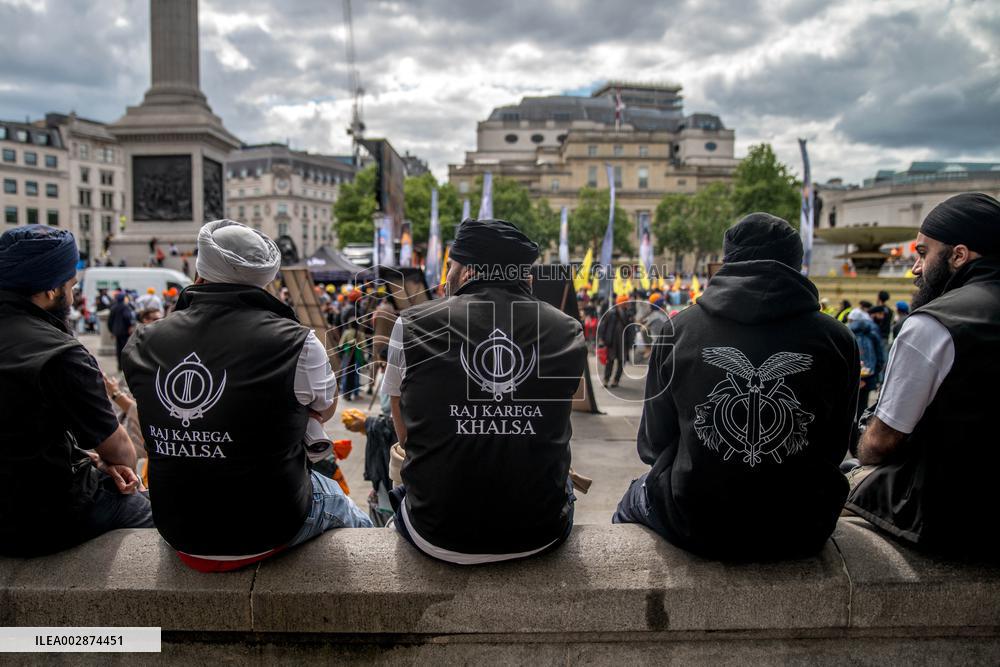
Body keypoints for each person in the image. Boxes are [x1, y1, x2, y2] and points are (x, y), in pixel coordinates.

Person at [122, 219, 371, 572]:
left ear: (199, 274)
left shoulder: (142, 341)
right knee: (349, 511)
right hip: (269, 525)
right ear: (267, 282)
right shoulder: (297, 342)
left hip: (178, 526)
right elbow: (326, 408)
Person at [613, 213, 859, 560]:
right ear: (796, 263)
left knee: (628, 503)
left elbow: (653, 446)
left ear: (727, 261)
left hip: (694, 520)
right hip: (802, 525)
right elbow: (836, 448)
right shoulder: (838, 338)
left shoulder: (678, 330)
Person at [381, 218, 587, 564]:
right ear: (526, 277)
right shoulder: (568, 331)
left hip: (435, 529)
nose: (446, 276)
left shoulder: (413, 324)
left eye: (450, 266)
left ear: (466, 272)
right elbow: (554, 424)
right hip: (539, 531)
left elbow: (402, 427)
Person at [845, 193, 1000, 556]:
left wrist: (860, 446)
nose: (915, 267)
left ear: (959, 255)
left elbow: (881, 443)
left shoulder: (933, 323)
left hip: (953, 520)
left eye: (922, 252)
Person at [0, 225, 151, 556]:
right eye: (71, 285)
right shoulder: (59, 352)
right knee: (157, 512)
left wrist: (89, 459)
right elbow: (122, 452)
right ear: (51, 290)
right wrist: (105, 461)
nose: (74, 294)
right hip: (40, 517)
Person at [847, 307, 885, 424]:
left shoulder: (845, 332)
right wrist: (875, 373)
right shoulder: (872, 333)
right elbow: (880, 357)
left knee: (849, 405)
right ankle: (860, 432)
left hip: (850, 377)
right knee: (863, 405)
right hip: (868, 376)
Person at [599, 294, 631, 387]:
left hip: (623, 342)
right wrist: (602, 339)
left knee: (622, 362)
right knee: (610, 361)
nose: (627, 304)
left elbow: (630, 329)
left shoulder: (628, 314)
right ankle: (606, 379)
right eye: (625, 302)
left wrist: (631, 342)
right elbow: (603, 326)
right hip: (612, 341)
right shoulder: (611, 313)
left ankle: (616, 380)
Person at [107, 291, 135, 371]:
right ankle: (124, 365)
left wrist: (111, 331)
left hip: (116, 331)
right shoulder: (125, 307)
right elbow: (127, 317)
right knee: (124, 348)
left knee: (118, 349)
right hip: (124, 331)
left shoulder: (113, 307)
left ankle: (119, 365)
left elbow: (110, 321)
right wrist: (130, 326)